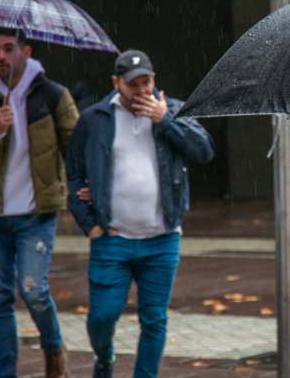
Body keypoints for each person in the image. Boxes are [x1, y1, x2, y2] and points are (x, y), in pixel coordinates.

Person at [66, 49, 214, 378]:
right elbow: (74, 173)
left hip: (161, 240)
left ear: (154, 79)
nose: (141, 91)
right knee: (102, 316)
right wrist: (89, 224)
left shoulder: (173, 110)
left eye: (146, 82)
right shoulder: (94, 119)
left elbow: (204, 150)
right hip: (111, 238)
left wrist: (165, 121)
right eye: (133, 84)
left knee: (154, 319)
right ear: (116, 82)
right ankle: (104, 357)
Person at [0, 27, 78, 378]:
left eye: (9, 48)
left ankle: (54, 349)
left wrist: (84, 188)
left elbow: (78, 148)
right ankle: (5, 374)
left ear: (26, 51)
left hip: (35, 215)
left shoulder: (53, 95)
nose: (1, 57)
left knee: (33, 290)